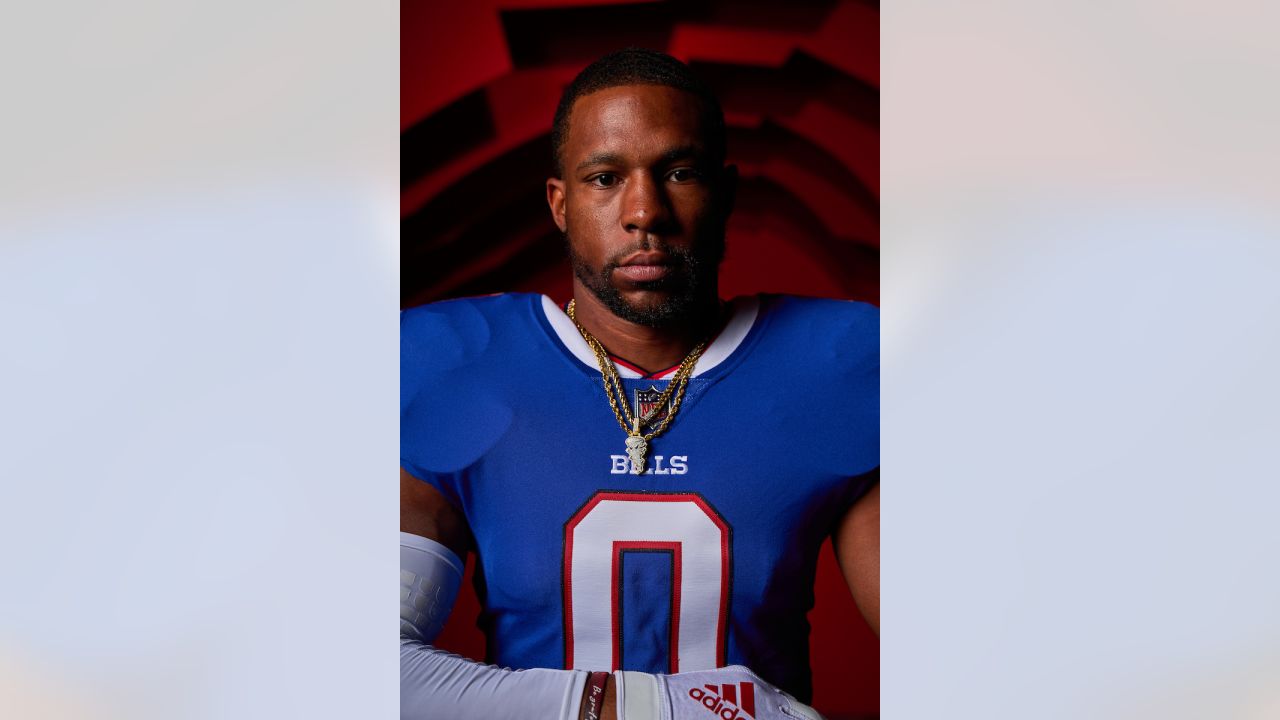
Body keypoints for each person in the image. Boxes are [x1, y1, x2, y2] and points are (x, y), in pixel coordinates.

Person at [401, 48, 879, 720]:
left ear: (726, 192)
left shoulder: (843, 365)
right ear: (559, 204)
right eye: (605, 178)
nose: (645, 211)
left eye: (679, 172)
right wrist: (666, 708)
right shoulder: (450, 366)